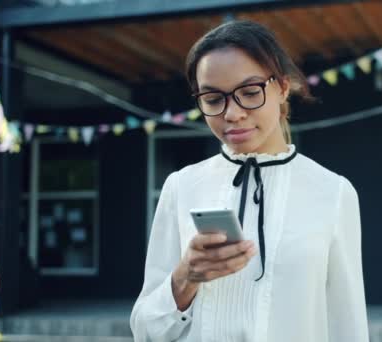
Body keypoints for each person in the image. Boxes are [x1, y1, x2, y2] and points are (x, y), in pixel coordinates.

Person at [130, 20, 369, 342]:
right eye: (214, 99)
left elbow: (348, 324)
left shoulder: (333, 191)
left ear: (282, 88)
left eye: (250, 92)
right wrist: (186, 276)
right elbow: (146, 330)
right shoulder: (181, 186)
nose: (232, 113)